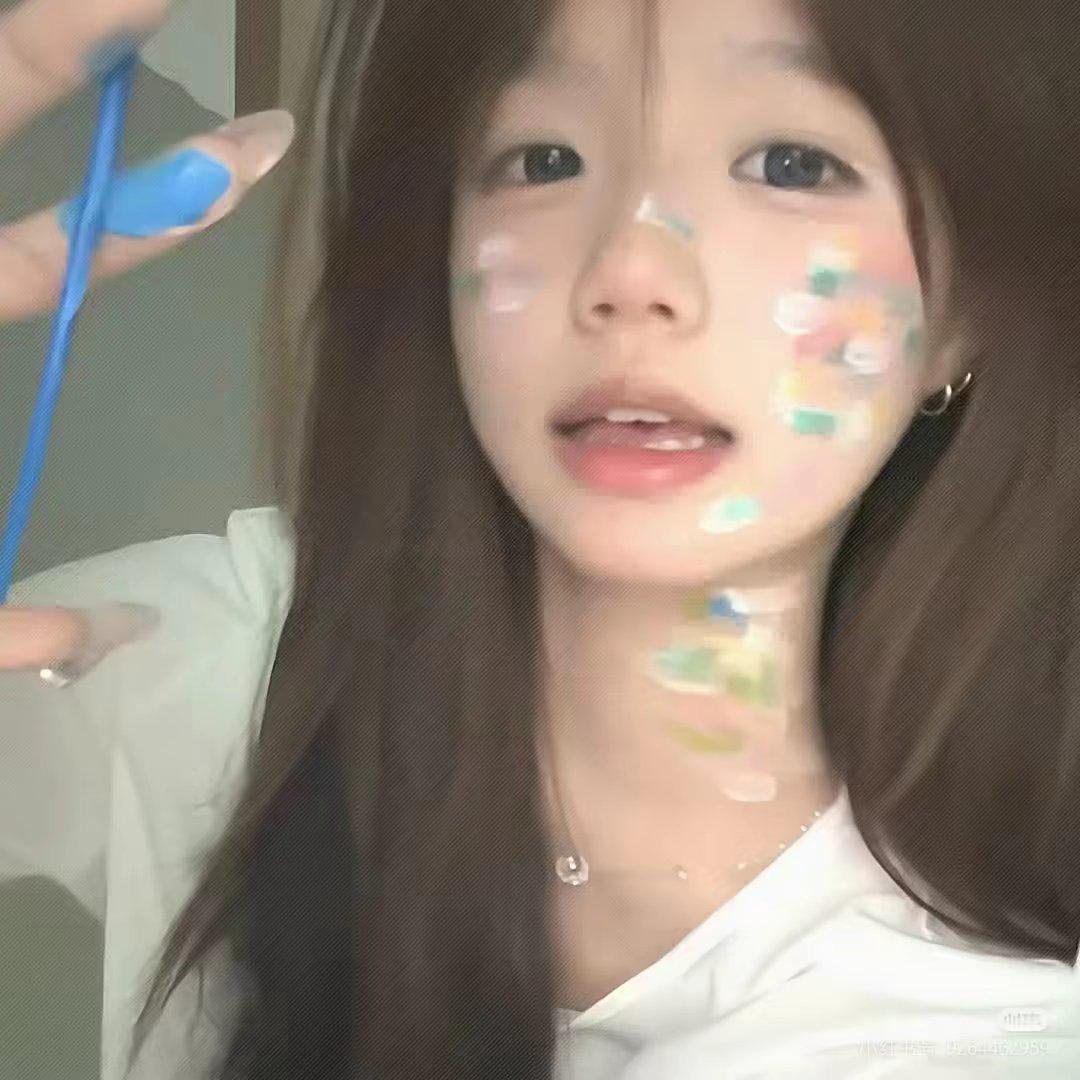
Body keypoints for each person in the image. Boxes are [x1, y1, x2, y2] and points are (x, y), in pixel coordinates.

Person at [3, 0, 1080, 1076]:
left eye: (792, 164)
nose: (630, 272)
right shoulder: (220, 656)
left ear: (959, 313)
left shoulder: (999, 1031)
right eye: (543, 159)